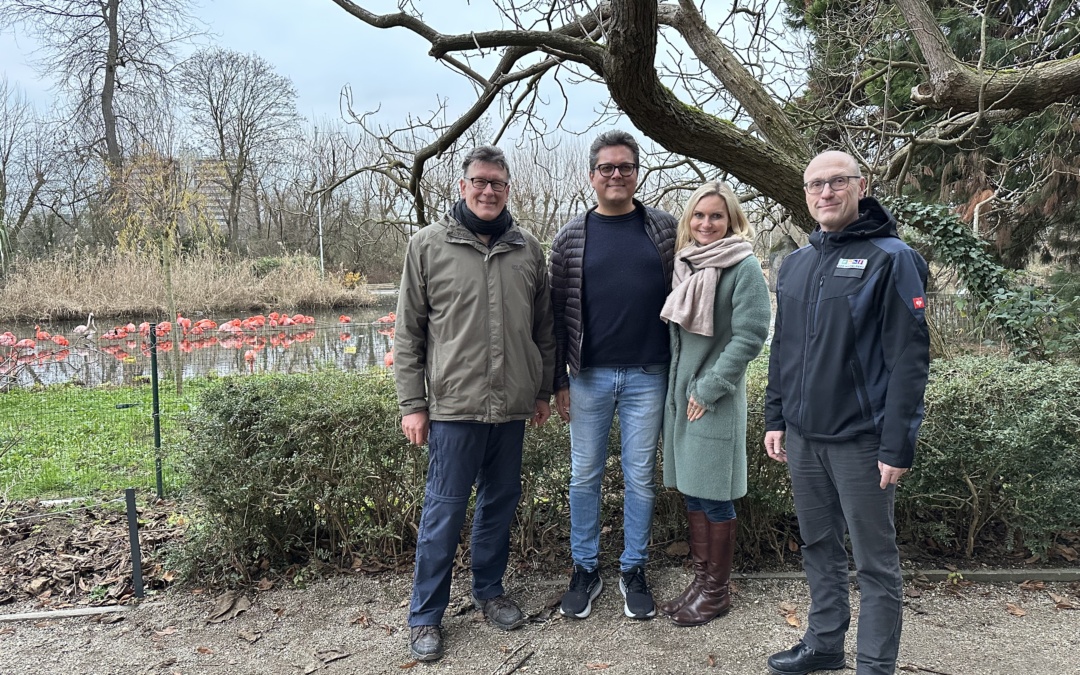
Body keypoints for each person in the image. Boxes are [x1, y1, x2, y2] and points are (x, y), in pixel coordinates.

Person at [764, 151, 930, 675]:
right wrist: (776, 417)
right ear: (806, 193)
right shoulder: (796, 263)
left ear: (863, 185)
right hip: (804, 438)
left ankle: (875, 666)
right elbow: (783, 347)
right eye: (816, 185)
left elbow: (908, 359)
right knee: (818, 546)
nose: (826, 193)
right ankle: (824, 644)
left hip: (863, 441)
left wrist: (897, 444)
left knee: (875, 564)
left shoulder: (892, 258)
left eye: (837, 182)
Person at [393, 145, 556, 663]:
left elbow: (544, 330)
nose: (488, 191)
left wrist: (543, 390)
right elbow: (407, 333)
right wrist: (412, 403)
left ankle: (489, 590)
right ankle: (425, 615)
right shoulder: (428, 246)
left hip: (511, 409)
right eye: (480, 181)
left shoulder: (529, 249)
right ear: (462, 186)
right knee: (444, 511)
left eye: (498, 184)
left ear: (509, 189)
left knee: (499, 505)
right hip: (453, 409)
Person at [550, 130, 677, 621]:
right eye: (607, 168)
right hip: (589, 377)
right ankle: (585, 568)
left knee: (640, 478)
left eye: (625, 167)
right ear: (592, 176)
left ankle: (633, 568)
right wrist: (558, 381)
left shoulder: (664, 230)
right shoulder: (570, 237)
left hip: (649, 374)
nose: (616, 175)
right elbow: (556, 316)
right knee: (584, 476)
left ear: (637, 173)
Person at [657, 181, 771, 627]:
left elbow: (751, 334)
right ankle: (702, 582)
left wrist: (707, 389)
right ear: (689, 220)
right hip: (681, 398)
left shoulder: (743, 267)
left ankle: (716, 592)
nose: (707, 224)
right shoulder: (684, 265)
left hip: (713, 399)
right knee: (694, 490)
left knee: (715, 495)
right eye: (699, 216)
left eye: (717, 216)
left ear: (732, 221)